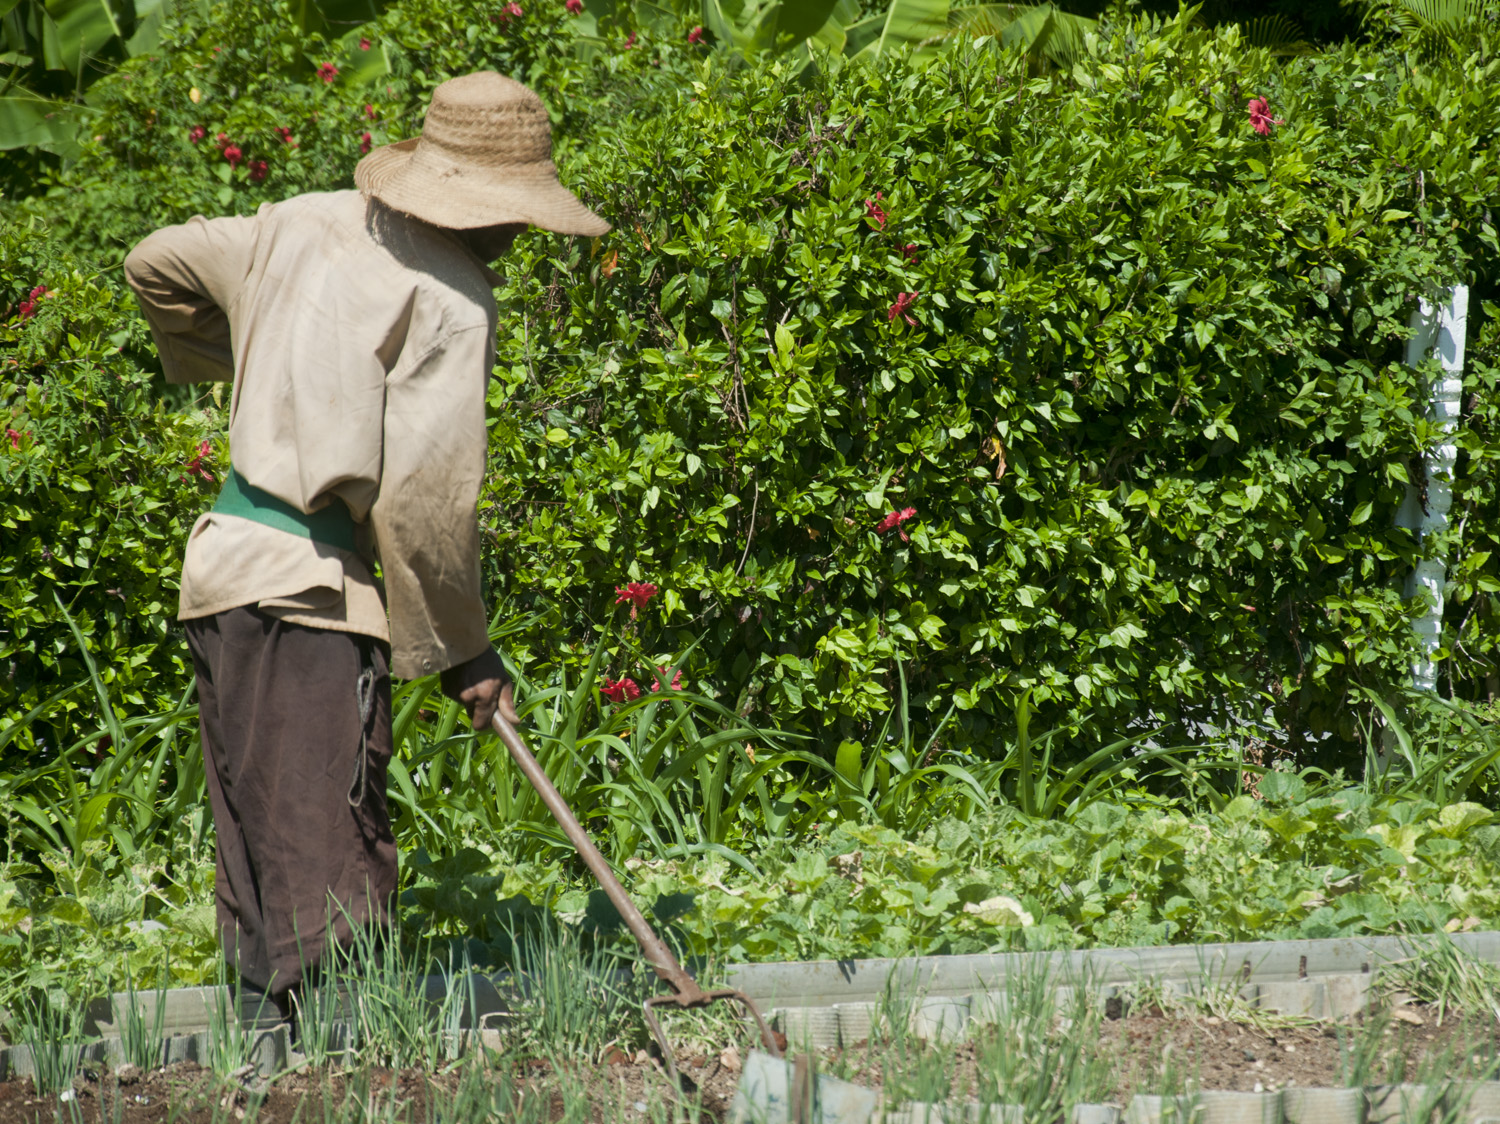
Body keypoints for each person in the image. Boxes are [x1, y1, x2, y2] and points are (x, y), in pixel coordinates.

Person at [123, 72, 609, 1027]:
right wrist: (469, 653)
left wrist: (277, 361)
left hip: (220, 574)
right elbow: (425, 511)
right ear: (487, 206)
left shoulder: (301, 220)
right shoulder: (454, 298)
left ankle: (269, 1058)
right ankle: (345, 1074)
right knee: (328, 878)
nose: (522, 235)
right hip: (308, 593)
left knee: (261, 857)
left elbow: (154, 262)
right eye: (517, 214)